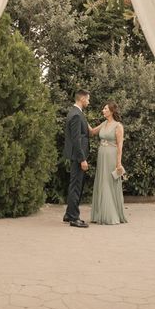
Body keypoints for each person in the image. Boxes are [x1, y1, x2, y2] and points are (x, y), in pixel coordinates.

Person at [90, 101, 127, 225]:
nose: (103, 110)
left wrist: (118, 163)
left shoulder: (118, 126)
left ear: (111, 111)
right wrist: (82, 119)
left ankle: (111, 215)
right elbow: (92, 132)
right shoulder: (104, 123)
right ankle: (100, 213)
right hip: (101, 156)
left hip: (111, 156)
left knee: (108, 183)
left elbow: (120, 146)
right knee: (101, 182)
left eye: (105, 109)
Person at [62, 89, 92, 228]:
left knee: (74, 185)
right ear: (82, 99)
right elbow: (76, 140)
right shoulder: (76, 115)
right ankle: (74, 218)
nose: (89, 101)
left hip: (76, 155)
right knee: (76, 186)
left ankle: (69, 214)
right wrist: (82, 159)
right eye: (88, 99)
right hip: (77, 156)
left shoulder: (76, 113)